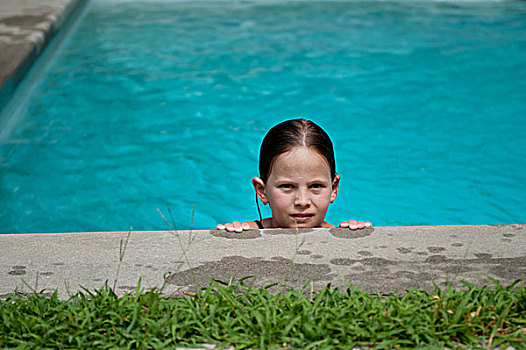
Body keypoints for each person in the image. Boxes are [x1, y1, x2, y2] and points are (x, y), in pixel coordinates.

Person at [216, 118, 372, 232]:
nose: (302, 202)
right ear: (262, 191)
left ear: (334, 188)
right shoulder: (248, 233)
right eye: (287, 186)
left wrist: (354, 239)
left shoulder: (338, 235)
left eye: (316, 186)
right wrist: (230, 237)